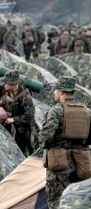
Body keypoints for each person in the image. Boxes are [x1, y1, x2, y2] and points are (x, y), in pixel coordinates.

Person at [40, 76, 91, 208]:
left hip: (59, 162)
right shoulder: (86, 112)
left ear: (61, 92)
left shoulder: (56, 111)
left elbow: (46, 137)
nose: (54, 93)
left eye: (55, 90)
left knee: (57, 201)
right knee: (78, 200)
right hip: (82, 162)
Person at [0, 70, 35, 155]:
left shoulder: (25, 96)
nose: (5, 85)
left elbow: (30, 116)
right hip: (1, 126)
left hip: (18, 131)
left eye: (7, 83)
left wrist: (13, 119)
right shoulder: (2, 89)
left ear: (13, 84)